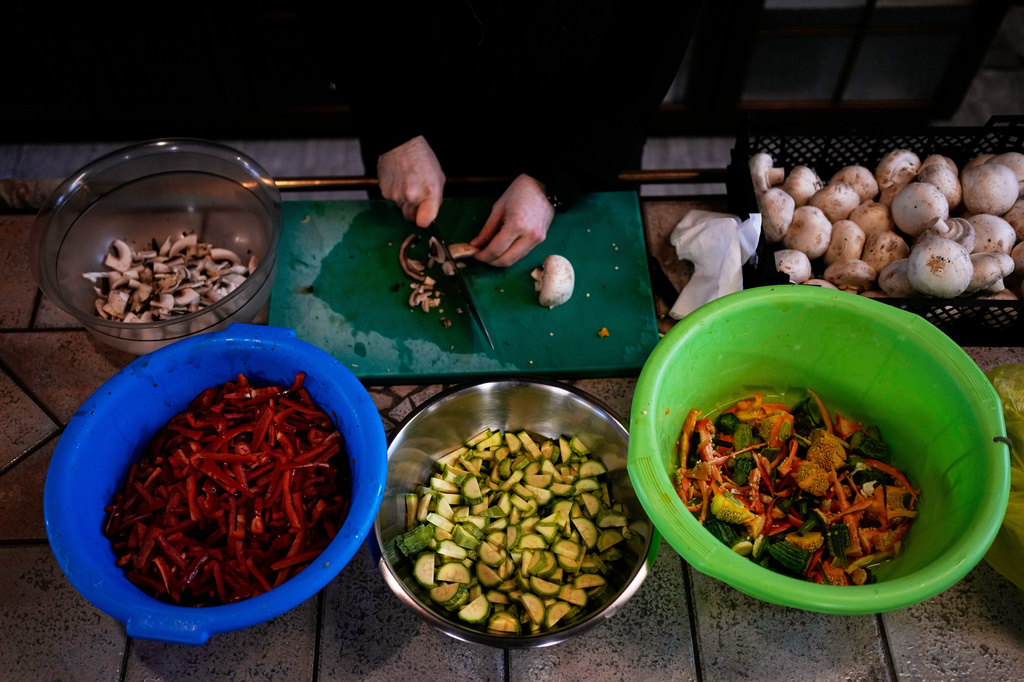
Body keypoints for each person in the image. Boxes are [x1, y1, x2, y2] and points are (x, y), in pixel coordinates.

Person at [302, 2, 704, 266]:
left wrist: (561, 173)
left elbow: (662, 25)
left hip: (585, 124)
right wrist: (391, 128)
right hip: (416, 123)